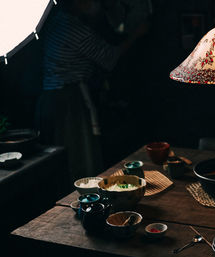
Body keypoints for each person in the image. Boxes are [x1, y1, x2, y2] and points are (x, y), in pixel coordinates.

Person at [35, 0, 149, 183]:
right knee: (81, 155)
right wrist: (137, 34)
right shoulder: (74, 28)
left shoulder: (57, 20)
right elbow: (109, 58)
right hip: (69, 100)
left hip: (52, 96)